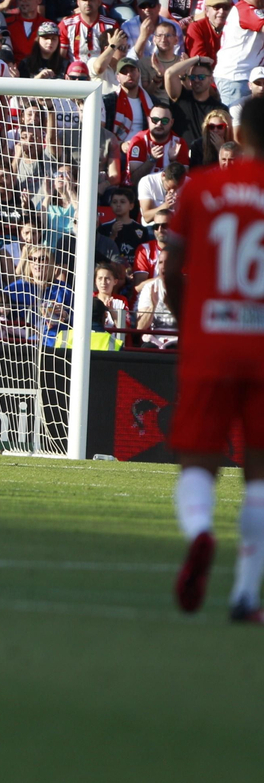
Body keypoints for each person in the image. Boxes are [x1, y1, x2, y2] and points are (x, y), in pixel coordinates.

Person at [159, 96, 264, 622]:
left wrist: (189, 322)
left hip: (210, 336)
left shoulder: (201, 187)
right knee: (260, 474)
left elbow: (170, 268)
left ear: (240, 135)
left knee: (198, 458)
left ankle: (201, 530)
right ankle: (245, 595)